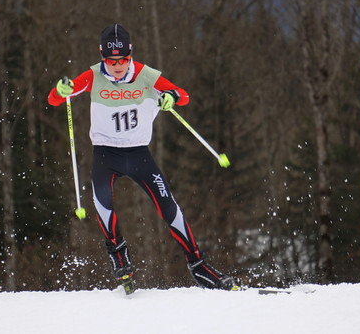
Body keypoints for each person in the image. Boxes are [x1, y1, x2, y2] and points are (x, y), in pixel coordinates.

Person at [47, 23, 236, 290]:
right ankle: (118, 254)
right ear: (102, 56)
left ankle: (199, 265)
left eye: (123, 59)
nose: (117, 65)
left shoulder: (146, 75)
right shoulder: (91, 76)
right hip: (105, 152)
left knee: (168, 206)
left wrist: (170, 97)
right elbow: (54, 99)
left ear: (130, 54)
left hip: (138, 153)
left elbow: (183, 96)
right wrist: (61, 90)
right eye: (111, 60)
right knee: (102, 201)